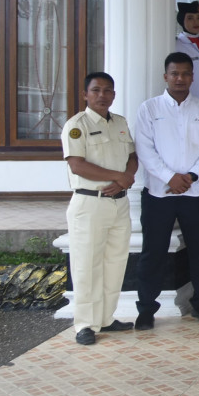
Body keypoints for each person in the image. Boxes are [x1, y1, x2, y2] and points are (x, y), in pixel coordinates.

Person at [134, 53, 199, 328]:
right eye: (174, 74)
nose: (180, 79)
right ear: (165, 76)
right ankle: (146, 308)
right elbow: (145, 150)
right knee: (153, 252)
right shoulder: (149, 108)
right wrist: (171, 177)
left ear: (192, 76)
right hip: (159, 193)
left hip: (196, 192)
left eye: (185, 73)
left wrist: (191, 176)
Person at [61, 72, 139, 345]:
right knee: (87, 266)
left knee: (115, 264)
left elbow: (131, 156)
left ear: (114, 95)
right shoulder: (76, 125)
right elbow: (77, 165)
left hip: (118, 203)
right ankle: (84, 324)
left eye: (108, 91)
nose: (102, 95)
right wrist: (118, 177)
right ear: (85, 94)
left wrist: (125, 178)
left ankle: (106, 318)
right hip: (89, 204)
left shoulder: (119, 122)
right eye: (96, 90)